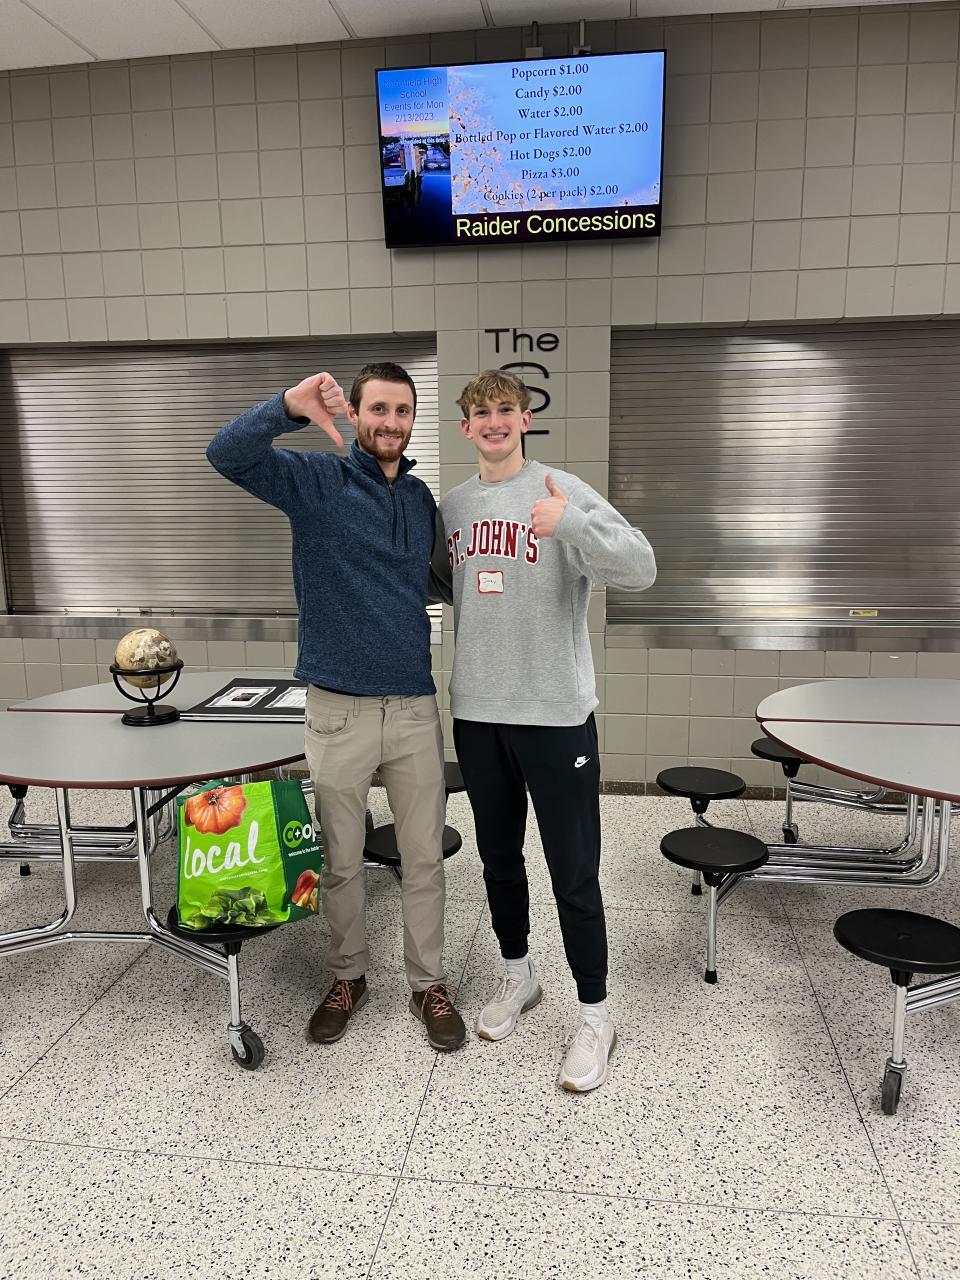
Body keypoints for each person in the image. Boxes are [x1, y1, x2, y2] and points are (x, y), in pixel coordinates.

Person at [207, 363, 466, 1053]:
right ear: (354, 414)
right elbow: (226, 454)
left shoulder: (420, 498)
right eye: (378, 409)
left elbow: (442, 582)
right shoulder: (317, 482)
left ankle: (428, 983)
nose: (390, 422)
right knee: (343, 862)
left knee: (423, 860)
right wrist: (285, 407)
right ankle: (348, 976)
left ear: (413, 420)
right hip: (337, 710)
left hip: (412, 707)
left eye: (402, 411)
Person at [432, 369, 656, 1091]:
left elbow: (642, 567)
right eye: (481, 413)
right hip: (478, 713)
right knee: (498, 860)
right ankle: (518, 976)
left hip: (556, 715)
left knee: (573, 871)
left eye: (507, 409)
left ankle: (595, 1015)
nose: (494, 422)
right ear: (465, 427)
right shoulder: (453, 507)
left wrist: (575, 525)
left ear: (526, 420)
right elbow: (439, 584)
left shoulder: (563, 490)